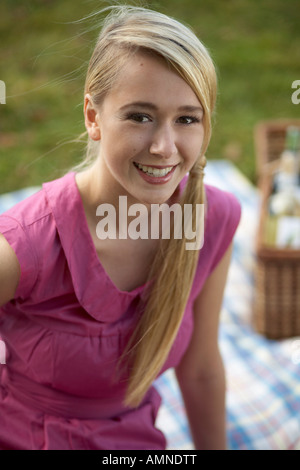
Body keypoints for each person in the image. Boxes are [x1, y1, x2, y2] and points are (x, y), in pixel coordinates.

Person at [0, 5, 241, 450]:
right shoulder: (22, 245)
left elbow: (202, 366)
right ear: (93, 116)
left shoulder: (212, 218)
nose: (164, 147)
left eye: (187, 119)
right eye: (140, 116)